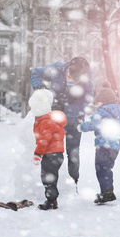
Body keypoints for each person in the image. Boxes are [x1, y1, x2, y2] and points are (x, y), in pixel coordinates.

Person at [31, 57, 93, 186]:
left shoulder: (87, 80)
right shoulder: (57, 69)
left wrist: (65, 108)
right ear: (68, 68)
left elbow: (82, 104)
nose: (71, 80)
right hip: (54, 121)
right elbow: (36, 72)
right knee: (52, 152)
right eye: (70, 76)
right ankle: (51, 186)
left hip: (74, 122)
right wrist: (39, 87)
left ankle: (73, 183)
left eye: (76, 79)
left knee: (73, 153)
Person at [78, 81, 120, 204]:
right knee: (107, 168)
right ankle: (107, 191)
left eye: (99, 102)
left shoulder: (101, 112)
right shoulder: (118, 111)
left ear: (103, 101)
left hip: (103, 145)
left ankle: (107, 193)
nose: (97, 104)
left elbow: (93, 124)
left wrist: (80, 127)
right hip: (115, 146)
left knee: (101, 169)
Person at [29, 89, 67, 210]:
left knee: (47, 179)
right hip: (57, 154)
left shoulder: (45, 122)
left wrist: (37, 154)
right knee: (51, 178)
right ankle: (53, 201)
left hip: (50, 154)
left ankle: (51, 201)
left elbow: (44, 140)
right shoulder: (49, 120)